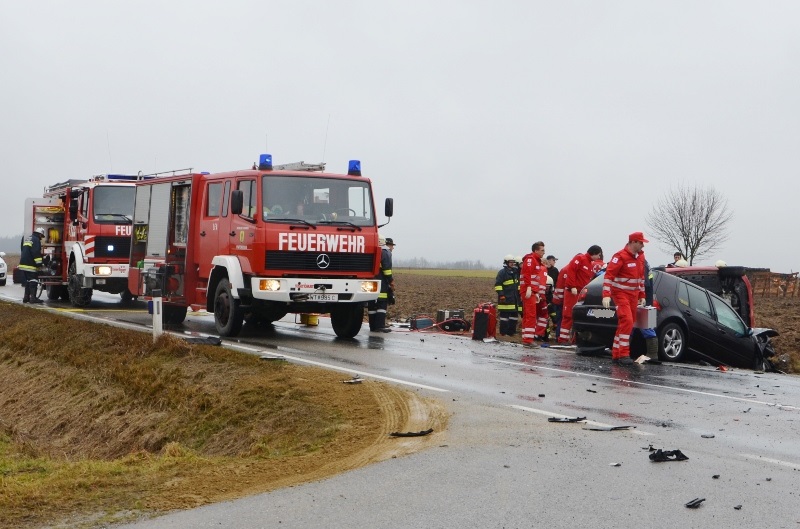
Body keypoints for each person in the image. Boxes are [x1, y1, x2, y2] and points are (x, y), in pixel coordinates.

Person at [602, 232, 647, 365]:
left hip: (633, 295)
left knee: (627, 323)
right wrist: (606, 295)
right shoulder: (620, 256)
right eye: (641, 242)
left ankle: (616, 353)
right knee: (627, 320)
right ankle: (623, 354)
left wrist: (642, 295)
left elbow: (641, 278)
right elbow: (609, 276)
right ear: (633, 242)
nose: (643, 245)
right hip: (621, 294)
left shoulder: (640, 257)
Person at [558, 245, 603, 344]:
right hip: (573, 292)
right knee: (568, 315)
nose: (599, 257)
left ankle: (573, 339)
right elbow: (571, 271)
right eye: (598, 255)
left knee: (576, 316)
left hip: (580, 293)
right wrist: (572, 286)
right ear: (594, 253)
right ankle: (563, 339)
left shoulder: (589, 263)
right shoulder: (580, 258)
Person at [519, 241, 548, 347]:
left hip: (531, 291)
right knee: (531, 315)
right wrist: (529, 287)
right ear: (536, 250)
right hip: (528, 290)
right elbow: (527, 274)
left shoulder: (535, 260)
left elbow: (533, 277)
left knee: (528, 315)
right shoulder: (531, 259)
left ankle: (526, 337)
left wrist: (535, 292)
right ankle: (528, 340)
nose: (544, 252)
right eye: (542, 250)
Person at [368, 237, 395, 332]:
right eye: (392, 245)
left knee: (372, 304)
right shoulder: (385, 252)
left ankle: (373, 326)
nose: (392, 248)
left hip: (369, 281)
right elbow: (387, 269)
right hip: (381, 281)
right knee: (382, 303)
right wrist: (391, 281)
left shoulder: (371, 250)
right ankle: (380, 326)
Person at [494, 255, 520, 336]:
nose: (512, 264)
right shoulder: (502, 272)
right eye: (510, 262)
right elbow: (498, 285)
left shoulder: (515, 272)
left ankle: (511, 332)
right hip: (505, 299)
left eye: (513, 262)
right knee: (504, 318)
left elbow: (517, 284)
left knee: (514, 317)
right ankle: (503, 333)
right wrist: (501, 295)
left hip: (514, 299)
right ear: (506, 262)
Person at [20, 227, 46, 304]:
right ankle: (33, 298)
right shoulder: (36, 240)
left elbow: (23, 249)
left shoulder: (29, 238)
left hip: (23, 263)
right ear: (40, 234)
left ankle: (26, 297)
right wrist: (39, 264)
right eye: (41, 236)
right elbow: (36, 252)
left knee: (28, 281)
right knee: (33, 280)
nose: (41, 238)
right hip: (30, 264)